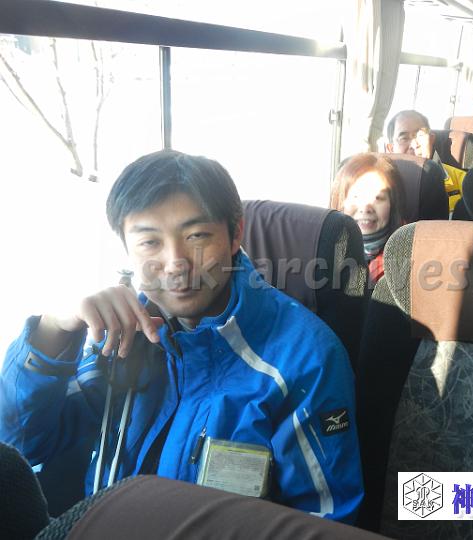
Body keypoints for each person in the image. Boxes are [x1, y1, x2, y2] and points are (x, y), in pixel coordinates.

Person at [0, 150, 363, 523]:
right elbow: (21, 446)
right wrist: (53, 330)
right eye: (149, 242)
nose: (176, 263)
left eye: (197, 236)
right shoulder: (121, 334)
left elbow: (325, 519)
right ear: (126, 248)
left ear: (235, 234)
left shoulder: (305, 359)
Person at [330, 153, 406, 285]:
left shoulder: (411, 252)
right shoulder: (321, 247)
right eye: (356, 196)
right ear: (341, 202)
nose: (366, 208)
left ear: (393, 205)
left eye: (378, 198)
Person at [384, 109, 465, 212]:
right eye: (404, 138)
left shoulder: (463, 182)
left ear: (432, 139)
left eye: (420, 135)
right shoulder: (379, 185)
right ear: (390, 149)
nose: (414, 145)